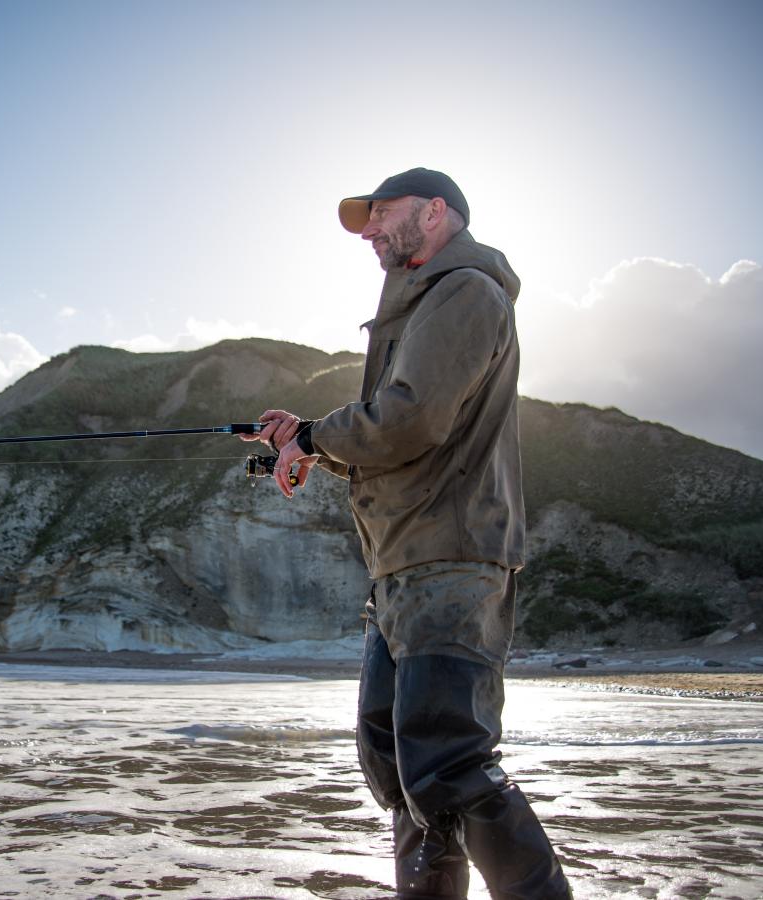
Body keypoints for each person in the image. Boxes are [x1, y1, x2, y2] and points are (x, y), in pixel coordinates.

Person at [245, 168, 571, 898]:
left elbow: (413, 418)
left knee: (447, 759)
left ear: (435, 213)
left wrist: (316, 439)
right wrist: (305, 441)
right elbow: (405, 440)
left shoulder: (463, 291)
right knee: (396, 763)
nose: (369, 230)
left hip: (450, 561)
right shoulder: (424, 301)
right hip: (402, 566)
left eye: (381, 213)